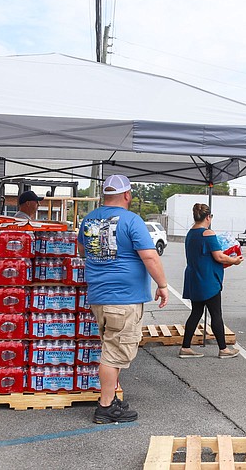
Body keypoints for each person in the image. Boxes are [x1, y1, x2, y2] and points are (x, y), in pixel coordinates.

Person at [79, 174, 169, 424]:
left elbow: (82, 251)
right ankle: (106, 406)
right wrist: (162, 285)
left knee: (111, 347)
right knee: (114, 353)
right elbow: (150, 257)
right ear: (127, 195)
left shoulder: (89, 219)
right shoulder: (132, 220)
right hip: (123, 298)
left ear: (105, 195)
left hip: (99, 295)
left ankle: (109, 400)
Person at [178, 203, 243, 359]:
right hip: (207, 280)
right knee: (216, 314)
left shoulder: (190, 233)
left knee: (196, 312)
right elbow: (219, 256)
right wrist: (234, 261)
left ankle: (185, 347)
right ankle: (224, 349)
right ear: (208, 217)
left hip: (194, 277)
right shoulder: (208, 233)